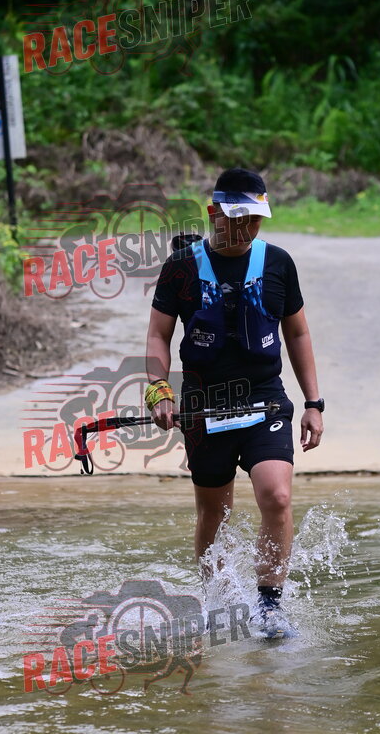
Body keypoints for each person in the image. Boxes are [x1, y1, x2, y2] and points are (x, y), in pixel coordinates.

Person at [145, 168, 324, 637]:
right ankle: (218, 603)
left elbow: (298, 333)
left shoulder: (278, 263)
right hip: (204, 406)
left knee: (277, 496)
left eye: (255, 219)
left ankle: (269, 606)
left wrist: (314, 402)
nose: (247, 228)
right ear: (214, 213)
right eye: (238, 218)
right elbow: (158, 335)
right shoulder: (181, 268)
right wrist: (158, 388)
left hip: (265, 400)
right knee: (214, 513)